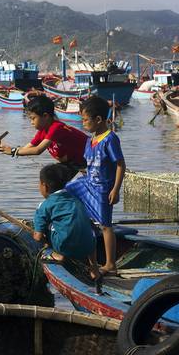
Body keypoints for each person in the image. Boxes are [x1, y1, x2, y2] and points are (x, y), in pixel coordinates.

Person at [65, 96, 126, 276]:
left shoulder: (110, 139)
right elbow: (89, 165)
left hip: (103, 188)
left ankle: (110, 264)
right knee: (67, 190)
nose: (82, 123)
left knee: (105, 226)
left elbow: (121, 165)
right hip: (88, 183)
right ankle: (89, 259)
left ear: (98, 120)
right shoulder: (90, 139)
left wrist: (115, 190)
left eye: (85, 120)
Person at [33, 164, 99, 282]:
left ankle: (59, 255)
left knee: (48, 225)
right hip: (88, 246)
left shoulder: (45, 206)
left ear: (44, 186)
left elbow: (38, 237)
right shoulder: (76, 200)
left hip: (65, 247)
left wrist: (40, 236)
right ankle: (94, 267)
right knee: (90, 228)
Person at [0, 96, 88, 176]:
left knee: (49, 178)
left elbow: (37, 150)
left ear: (45, 116)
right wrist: (2, 148)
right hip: (72, 163)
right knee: (48, 177)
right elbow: (26, 148)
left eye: (33, 118)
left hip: (88, 160)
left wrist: (12, 151)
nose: (31, 122)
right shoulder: (43, 131)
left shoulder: (56, 127)